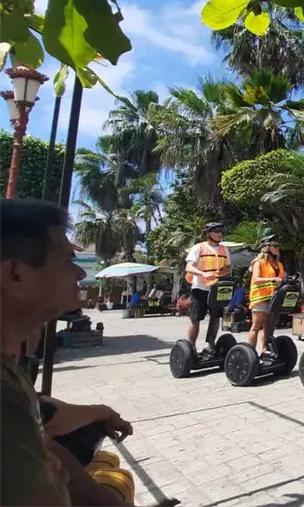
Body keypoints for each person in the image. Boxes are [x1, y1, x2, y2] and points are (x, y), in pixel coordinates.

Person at [0, 199, 179, 507]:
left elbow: (44, 433)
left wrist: (101, 411)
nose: (80, 274)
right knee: (113, 474)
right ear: (16, 275)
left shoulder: (11, 370)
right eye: (68, 261)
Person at [184, 222, 232, 354]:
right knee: (196, 318)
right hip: (200, 288)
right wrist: (204, 274)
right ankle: (191, 347)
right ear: (209, 233)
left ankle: (211, 344)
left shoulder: (224, 249)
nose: (220, 234)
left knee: (216, 318)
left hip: (216, 289)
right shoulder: (198, 248)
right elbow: (189, 267)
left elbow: (229, 267)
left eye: (221, 231)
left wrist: (221, 273)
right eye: (216, 231)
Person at [248, 236, 286, 356]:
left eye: (278, 246)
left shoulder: (279, 264)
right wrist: (272, 280)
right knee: (257, 325)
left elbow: (282, 279)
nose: (277, 248)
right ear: (267, 248)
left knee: (268, 327)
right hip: (260, 297)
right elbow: (256, 279)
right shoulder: (258, 263)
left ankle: (265, 351)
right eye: (274, 246)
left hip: (273, 297)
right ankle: (250, 353)